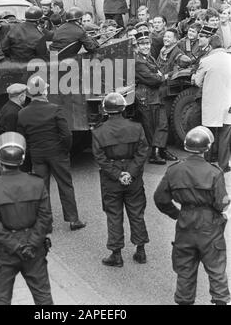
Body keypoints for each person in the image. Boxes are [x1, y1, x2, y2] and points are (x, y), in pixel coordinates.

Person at [154, 126, 230, 305]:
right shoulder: (214, 172)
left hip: (185, 223)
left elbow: (160, 198)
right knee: (216, 270)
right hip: (209, 226)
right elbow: (221, 203)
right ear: (207, 147)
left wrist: (177, 214)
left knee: (185, 272)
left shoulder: (174, 170)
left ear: (187, 146)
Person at [0, 132, 53, 305]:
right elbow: (45, 217)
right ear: (22, 160)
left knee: (2, 298)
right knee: (43, 297)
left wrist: (15, 246)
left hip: (6, 251)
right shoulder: (37, 183)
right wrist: (31, 245)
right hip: (34, 249)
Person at [17, 76, 86, 231]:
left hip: (37, 155)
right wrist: (64, 150)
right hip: (57, 153)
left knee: (42, 188)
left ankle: (46, 223)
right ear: (44, 91)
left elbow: (23, 139)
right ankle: (73, 220)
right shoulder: (55, 109)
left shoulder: (22, 114)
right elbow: (66, 135)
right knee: (65, 185)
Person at [92, 92, 149, 267]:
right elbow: (142, 152)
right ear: (123, 108)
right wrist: (130, 173)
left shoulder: (98, 132)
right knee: (136, 213)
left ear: (105, 110)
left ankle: (116, 255)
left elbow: (100, 158)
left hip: (111, 179)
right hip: (133, 177)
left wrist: (118, 175)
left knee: (114, 215)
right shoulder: (137, 127)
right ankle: (140, 251)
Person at [135, 31, 177, 164]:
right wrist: (160, 76)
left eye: (147, 43)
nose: (145, 46)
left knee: (162, 124)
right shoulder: (138, 61)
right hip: (146, 96)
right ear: (137, 46)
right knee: (151, 125)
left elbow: (158, 73)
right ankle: (154, 153)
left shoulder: (149, 58)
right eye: (142, 44)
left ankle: (161, 149)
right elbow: (154, 79)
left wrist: (159, 75)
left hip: (155, 95)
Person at [192, 35, 231, 173]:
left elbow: (197, 82)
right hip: (228, 103)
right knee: (225, 135)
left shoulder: (206, 60)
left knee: (208, 134)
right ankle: (224, 164)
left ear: (211, 46)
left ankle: (208, 162)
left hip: (211, 103)